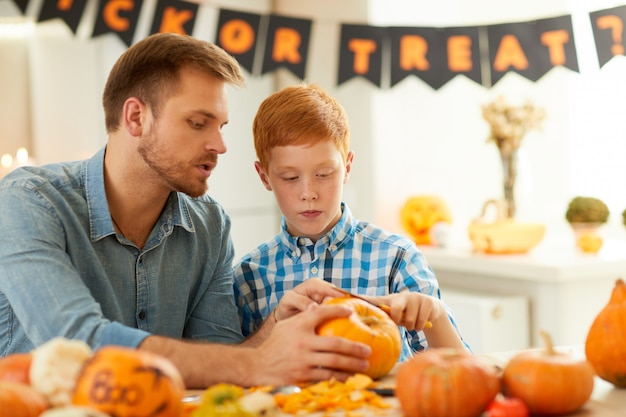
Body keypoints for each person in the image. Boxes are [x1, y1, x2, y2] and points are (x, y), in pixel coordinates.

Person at [0, 33, 374, 389]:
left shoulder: (209, 223)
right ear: (135, 118)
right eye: (198, 124)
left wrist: (276, 325)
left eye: (221, 126)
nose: (220, 145)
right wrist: (258, 364)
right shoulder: (29, 202)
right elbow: (78, 343)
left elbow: (223, 362)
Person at [234, 84, 468, 362]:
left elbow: (461, 370)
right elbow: (235, 372)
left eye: (324, 174)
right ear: (264, 177)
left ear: (346, 166)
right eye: (290, 177)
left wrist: (436, 314)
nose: (308, 192)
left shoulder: (396, 258)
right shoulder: (249, 276)